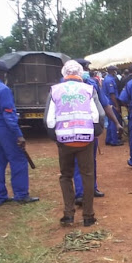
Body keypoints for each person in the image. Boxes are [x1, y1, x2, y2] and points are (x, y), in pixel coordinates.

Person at [46, 61, 103, 227]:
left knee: (65, 176)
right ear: (81, 73)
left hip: (64, 140)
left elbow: (49, 120)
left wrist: (56, 138)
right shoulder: (88, 89)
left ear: (64, 74)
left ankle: (69, 214)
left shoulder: (55, 90)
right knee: (87, 175)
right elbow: (97, 115)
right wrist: (95, 133)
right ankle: (88, 216)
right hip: (85, 139)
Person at [0, 60, 39, 204]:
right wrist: (19, 134)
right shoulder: (3, 89)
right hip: (3, 127)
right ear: (3, 73)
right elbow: (9, 115)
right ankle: (21, 194)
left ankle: (0, 196)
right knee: (18, 159)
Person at [72, 59, 122, 204]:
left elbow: (105, 104)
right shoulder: (91, 84)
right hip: (87, 127)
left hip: (71, 129)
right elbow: (104, 107)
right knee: (84, 160)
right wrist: (116, 123)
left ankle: (89, 189)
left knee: (85, 160)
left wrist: (117, 123)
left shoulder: (63, 85)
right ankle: (83, 192)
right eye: (86, 68)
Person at [103, 65, 124, 146]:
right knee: (113, 121)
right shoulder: (110, 80)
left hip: (108, 102)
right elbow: (112, 94)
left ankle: (108, 139)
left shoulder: (107, 79)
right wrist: (117, 106)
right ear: (113, 71)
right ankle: (114, 140)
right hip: (111, 103)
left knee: (110, 121)